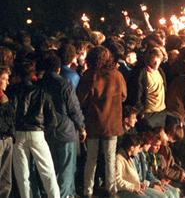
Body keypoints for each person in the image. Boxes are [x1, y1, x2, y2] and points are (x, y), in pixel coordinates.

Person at [78, 46, 127, 197]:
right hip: (111, 123)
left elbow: (81, 98)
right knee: (110, 158)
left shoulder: (89, 75)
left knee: (91, 158)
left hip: (93, 122)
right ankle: (111, 190)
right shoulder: (117, 75)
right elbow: (124, 96)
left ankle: (88, 190)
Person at [11, 60, 61, 198]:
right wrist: (45, 132)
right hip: (37, 133)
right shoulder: (41, 92)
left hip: (19, 134)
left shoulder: (13, 91)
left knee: (22, 175)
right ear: (33, 74)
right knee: (47, 172)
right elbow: (52, 120)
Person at [41, 52, 86, 198]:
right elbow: (73, 108)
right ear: (58, 68)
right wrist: (81, 127)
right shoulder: (64, 84)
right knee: (67, 167)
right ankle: (66, 195)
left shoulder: (40, 84)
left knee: (52, 167)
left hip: (47, 130)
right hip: (65, 130)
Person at [127, 47, 168, 131]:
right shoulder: (141, 74)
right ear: (148, 60)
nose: (156, 64)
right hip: (148, 113)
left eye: (158, 61)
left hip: (161, 111)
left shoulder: (160, 71)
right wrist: (141, 111)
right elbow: (137, 93)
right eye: (154, 61)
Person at [116, 134, 167, 198]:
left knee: (162, 196)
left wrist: (139, 184)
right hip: (123, 191)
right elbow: (117, 181)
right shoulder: (119, 159)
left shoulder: (129, 158)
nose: (139, 150)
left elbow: (133, 178)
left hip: (135, 188)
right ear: (132, 148)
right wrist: (133, 187)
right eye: (138, 147)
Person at [0, 66, 15, 197]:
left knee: (5, 177)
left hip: (7, 139)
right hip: (2, 138)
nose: (7, 82)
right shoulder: (3, 99)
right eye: (4, 79)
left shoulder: (5, 97)